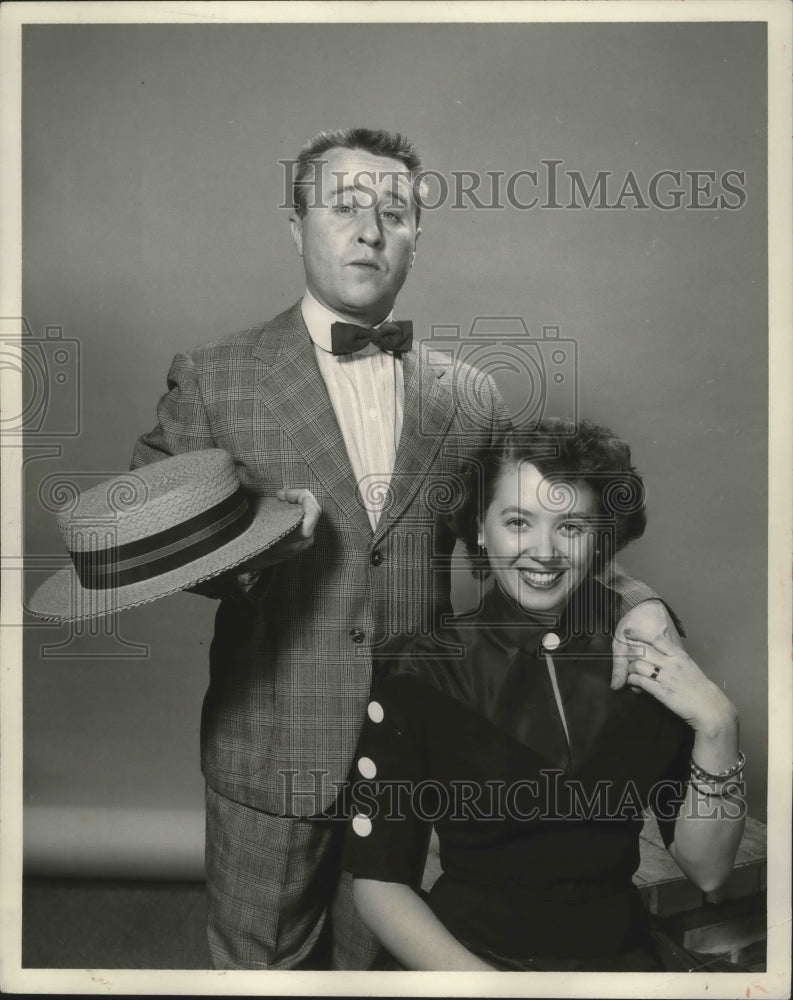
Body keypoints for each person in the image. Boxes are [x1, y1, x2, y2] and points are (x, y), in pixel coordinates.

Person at [131, 128, 684, 970]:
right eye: (343, 208)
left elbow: (531, 538)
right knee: (260, 972)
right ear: (295, 224)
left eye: (393, 214)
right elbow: (146, 538)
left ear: (416, 237)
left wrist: (640, 604)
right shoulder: (215, 377)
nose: (369, 232)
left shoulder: (467, 395)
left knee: (384, 975)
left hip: (427, 755)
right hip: (274, 747)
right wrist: (252, 552)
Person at [344, 418, 745, 972]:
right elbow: (379, 883)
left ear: (600, 537)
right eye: (518, 522)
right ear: (480, 529)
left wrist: (720, 723)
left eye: (571, 526)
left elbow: (709, 870)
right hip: (468, 965)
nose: (544, 551)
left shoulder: (644, 654)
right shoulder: (423, 670)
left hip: (617, 962)